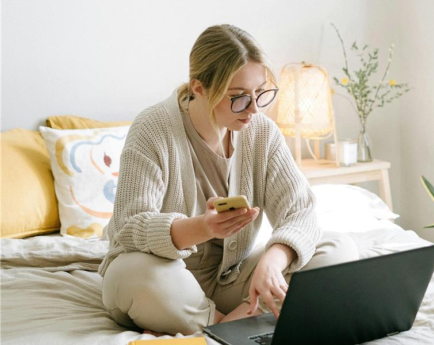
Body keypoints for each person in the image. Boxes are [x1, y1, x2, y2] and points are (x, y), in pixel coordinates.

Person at [99, 24, 359, 336]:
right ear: (199, 88)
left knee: (337, 248)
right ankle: (240, 322)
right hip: (165, 280)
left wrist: (273, 261)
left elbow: (300, 211)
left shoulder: (261, 131)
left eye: (260, 93)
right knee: (131, 274)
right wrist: (203, 227)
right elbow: (130, 226)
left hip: (231, 280)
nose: (253, 109)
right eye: (238, 98)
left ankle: (228, 325)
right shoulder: (152, 129)